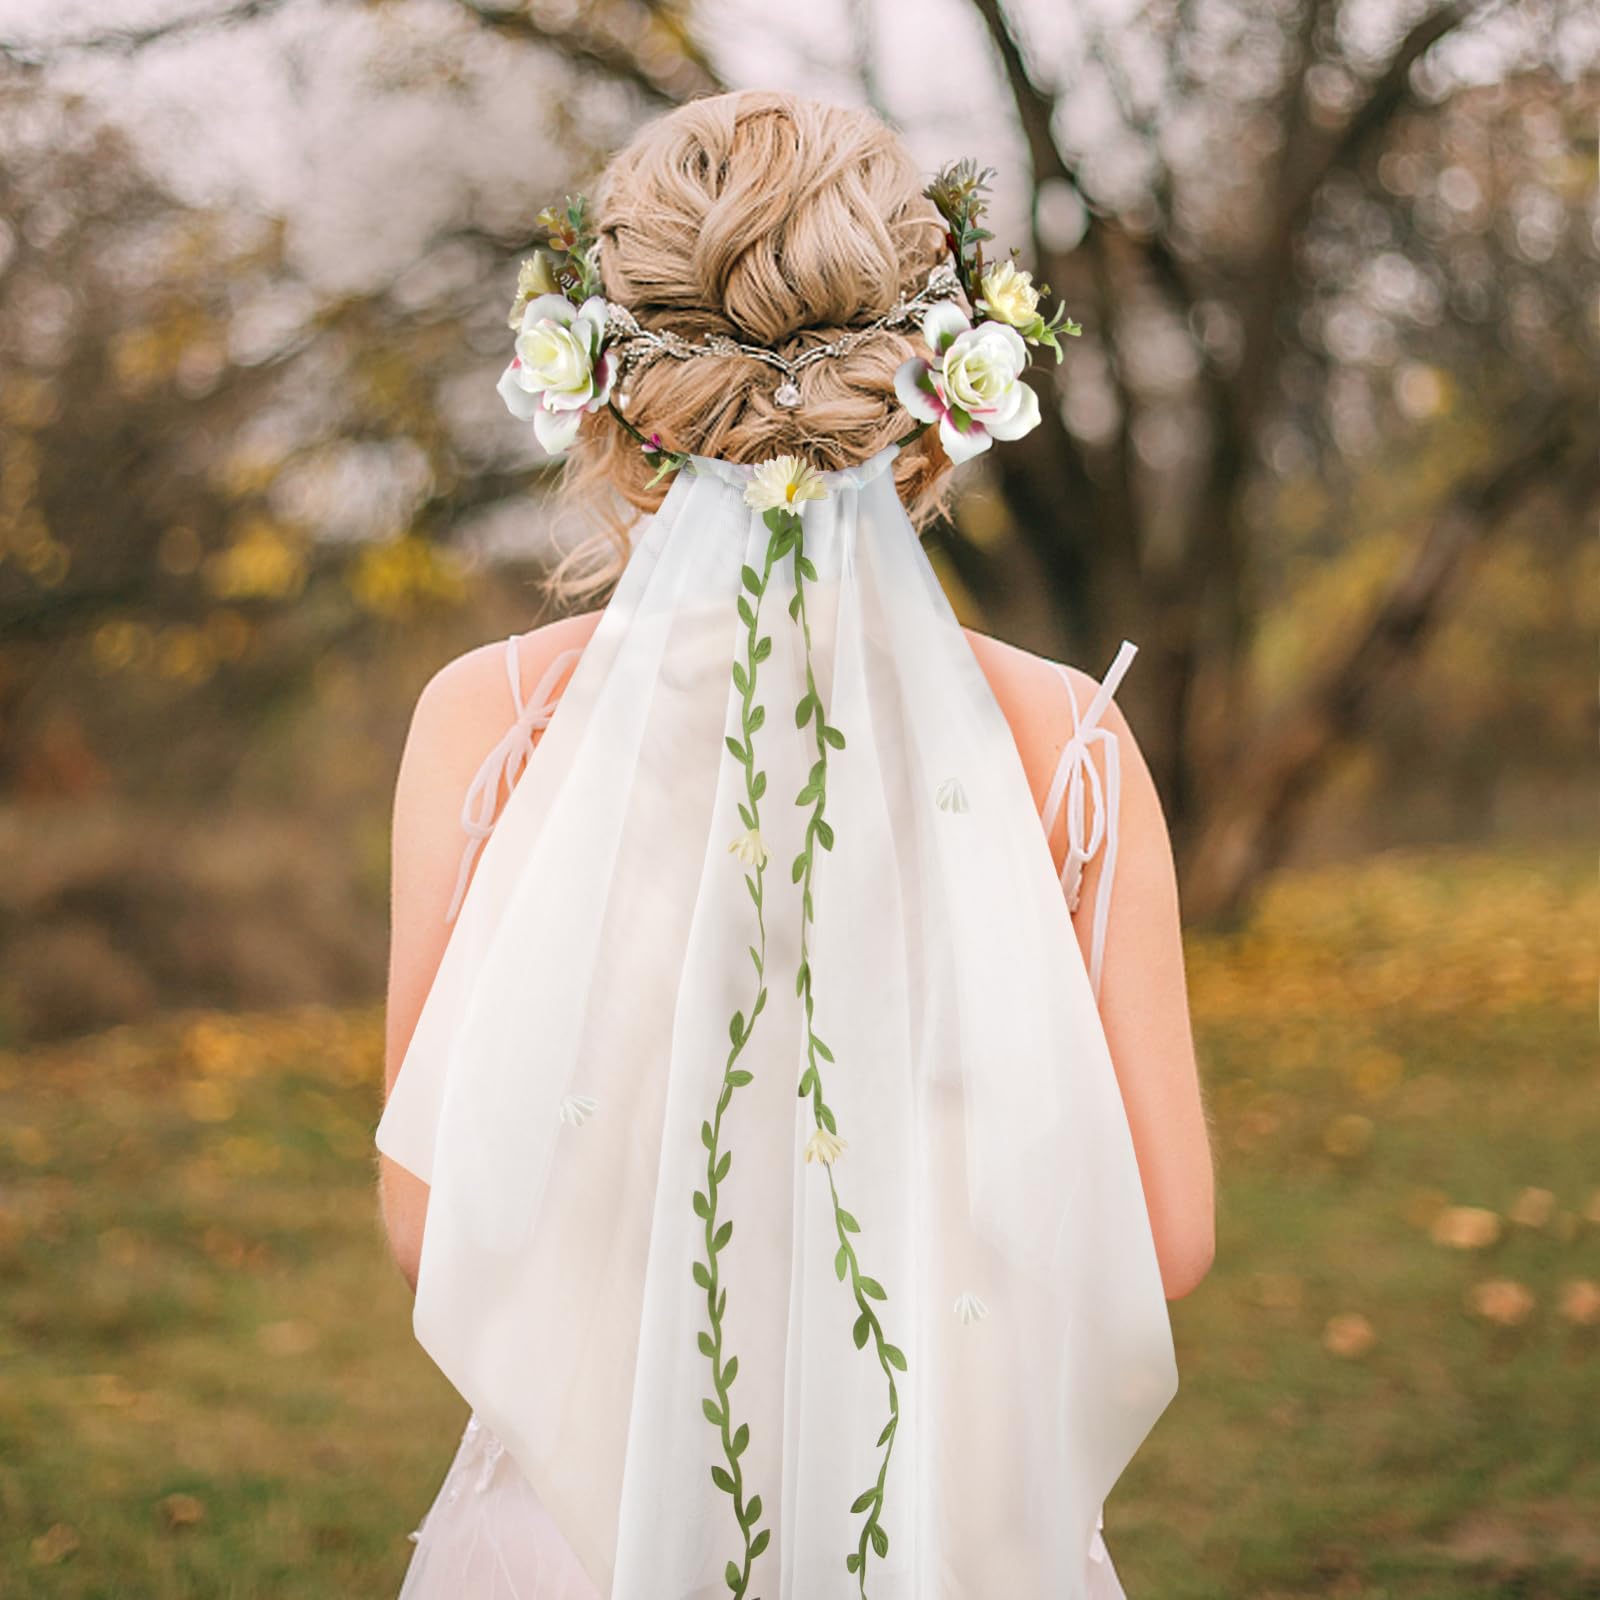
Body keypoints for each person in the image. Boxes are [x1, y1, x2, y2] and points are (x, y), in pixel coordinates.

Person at [377, 89, 1213, 1600]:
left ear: (599, 387)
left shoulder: (485, 723)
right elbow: (1162, 1238)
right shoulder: (1069, 750)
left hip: (572, 1536)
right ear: (940, 381)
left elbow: (424, 1210)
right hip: (949, 1525)